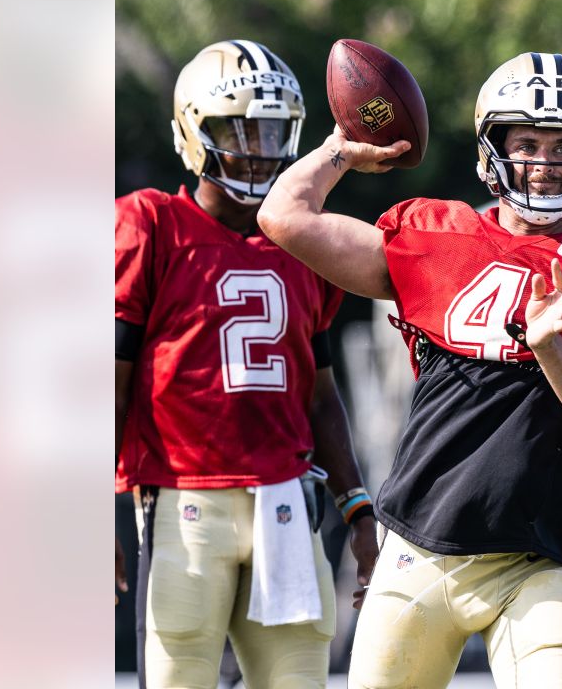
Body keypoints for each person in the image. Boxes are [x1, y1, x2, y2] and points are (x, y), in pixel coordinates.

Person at [258, 52, 562, 687]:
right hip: (416, 552)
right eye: (528, 142)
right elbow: (283, 216)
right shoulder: (435, 235)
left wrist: (553, 349)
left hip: (535, 565)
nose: (544, 162)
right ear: (491, 152)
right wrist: (343, 149)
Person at [115, 40, 378, 689]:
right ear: (193, 132)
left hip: (287, 504)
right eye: (239, 129)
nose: (258, 147)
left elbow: (321, 395)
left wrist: (358, 508)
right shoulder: (151, 225)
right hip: (184, 502)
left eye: (270, 130)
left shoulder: (301, 241)